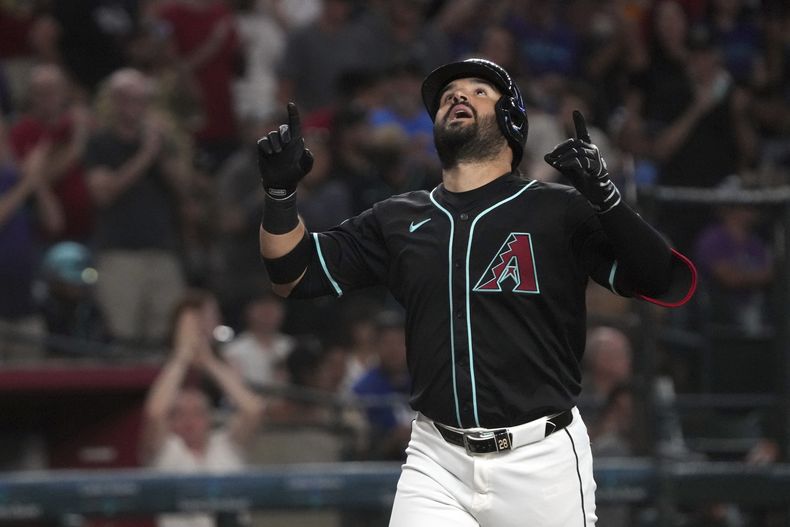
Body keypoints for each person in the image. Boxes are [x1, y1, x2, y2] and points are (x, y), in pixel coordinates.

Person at [256, 58, 697, 526]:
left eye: (477, 91)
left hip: (540, 457)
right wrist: (280, 195)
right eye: (449, 96)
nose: (457, 96)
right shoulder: (397, 218)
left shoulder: (557, 210)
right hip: (437, 457)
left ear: (512, 120)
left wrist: (607, 200)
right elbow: (293, 275)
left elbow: (661, 278)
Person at [140, 289, 265, 527]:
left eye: (197, 413)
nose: (189, 420)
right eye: (180, 414)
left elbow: (253, 410)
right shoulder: (167, 451)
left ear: (209, 418)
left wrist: (208, 361)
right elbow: (155, 413)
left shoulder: (226, 445)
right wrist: (182, 356)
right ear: (172, 422)